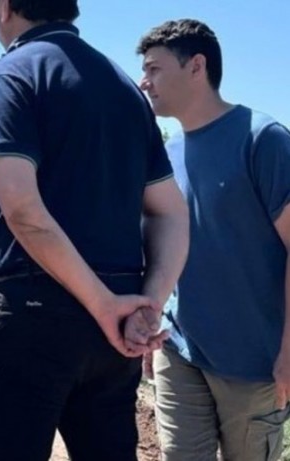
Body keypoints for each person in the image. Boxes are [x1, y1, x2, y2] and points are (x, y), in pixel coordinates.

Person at [0, 1, 189, 460]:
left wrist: (106, 305)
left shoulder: (14, 74)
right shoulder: (125, 89)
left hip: (33, 316)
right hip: (114, 333)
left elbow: (24, 210)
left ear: (5, 7)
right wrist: (147, 303)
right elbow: (170, 212)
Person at [137, 19, 290, 461]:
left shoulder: (263, 140)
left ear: (196, 66)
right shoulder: (168, 155)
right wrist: (153, 321)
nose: (145, 82)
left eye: (154, 69)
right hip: (180, 349)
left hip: (253, 361)